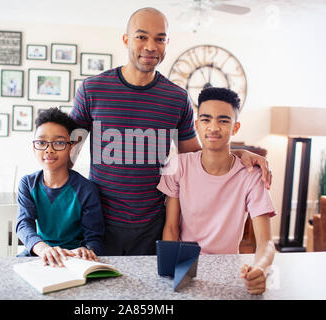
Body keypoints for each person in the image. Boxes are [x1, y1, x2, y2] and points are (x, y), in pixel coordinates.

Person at [69, 7, 272, 256]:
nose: (151, 46)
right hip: (98, 224)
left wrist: (238, 153)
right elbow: (64, 157)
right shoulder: (92, 90)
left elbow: (198, 158)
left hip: (153, 226)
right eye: (141, 36)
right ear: (125, 40)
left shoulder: (176, 98)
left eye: (160, 38)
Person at [157, 87, 276, 295]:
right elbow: (171, 228)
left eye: (223, 120)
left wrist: (261, 268)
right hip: (186, 266)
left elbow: (266, 243)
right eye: (206, 119)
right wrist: (171, 271)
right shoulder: (178, 166)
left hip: (228, 268)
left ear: (235, 127)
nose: (213, 127)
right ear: (197, 125)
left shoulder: (251, 175)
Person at [16, 107, 104, 267]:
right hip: (38, 255)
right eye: (42, 142)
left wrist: (87, 249)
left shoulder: (86, 189)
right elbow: (24, 224)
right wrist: (43, 249)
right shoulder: (27, 184)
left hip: (74, 259)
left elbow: (94, 237)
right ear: (34, 147)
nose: (49, 149)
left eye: (58, 142)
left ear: (71, 146)